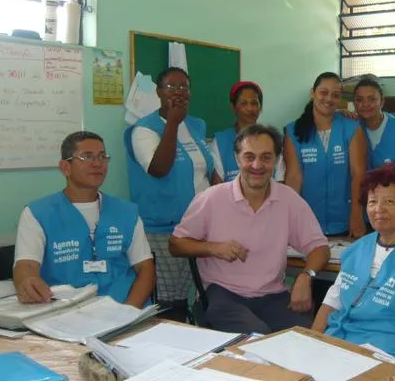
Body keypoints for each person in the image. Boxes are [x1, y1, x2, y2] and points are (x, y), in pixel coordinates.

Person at [169, 124, 330, 334]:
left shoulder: (289, 199)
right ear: (237, 159)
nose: (257, 165)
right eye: (249, 157)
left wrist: (306, 276)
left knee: (308, 339)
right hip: (223, 295)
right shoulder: (212, 198)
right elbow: (175, 244)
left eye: (266, 157)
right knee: (257, 339)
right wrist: (212, 248)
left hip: (273, 295)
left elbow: (320, 247)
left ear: (277, 160)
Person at [14, 131, 155, 307]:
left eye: (102, 156)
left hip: (123, 307)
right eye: (87, 157)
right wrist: (27, 282)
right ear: (65, 167)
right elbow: (26, 265)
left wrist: (128, 311)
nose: (97, 163)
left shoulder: (126, 212)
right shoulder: (38, 214)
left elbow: (145, 268)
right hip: (66, 313)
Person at [310, 165, 395, 362]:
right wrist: (311, 341)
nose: (379, 209)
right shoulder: (357, 249)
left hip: (389, 351)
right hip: (340, 342)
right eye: (372, 202)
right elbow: (333, 301)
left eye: (389, 201)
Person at [124, 66, 221, 305]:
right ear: (159, 92)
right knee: (168, 299)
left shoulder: (197, 125)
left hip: (198, 226)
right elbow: (159, 169)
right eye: (171, 86)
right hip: (162, 229)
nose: (179, 92)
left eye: (184, 87)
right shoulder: (143, 129)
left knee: (198, 292)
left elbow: (207, 171)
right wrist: (172, 124)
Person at [284, 72, 367, 238]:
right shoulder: (294, 131)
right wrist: (288, 217)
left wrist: (356, 215)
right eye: (323, 92)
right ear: (312, 93)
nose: (329, 99)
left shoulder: (351, 128)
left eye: (335, 95)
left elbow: (358, 174)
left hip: (346, 222)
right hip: (307, 223)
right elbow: (294, 177)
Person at [210, 80, 285, 182]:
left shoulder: (273, 140)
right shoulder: (220, 142)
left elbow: (280, 182)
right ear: (233, 107)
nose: (250, 108)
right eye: (243, 103)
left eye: (254, 103)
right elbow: (217, 186)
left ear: (260, 107)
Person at [352, 78, 395, 170]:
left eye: (372, 99)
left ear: (382, 102)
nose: (365, 104)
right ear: (354, 103)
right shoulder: (351, 128)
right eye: (359, 100)